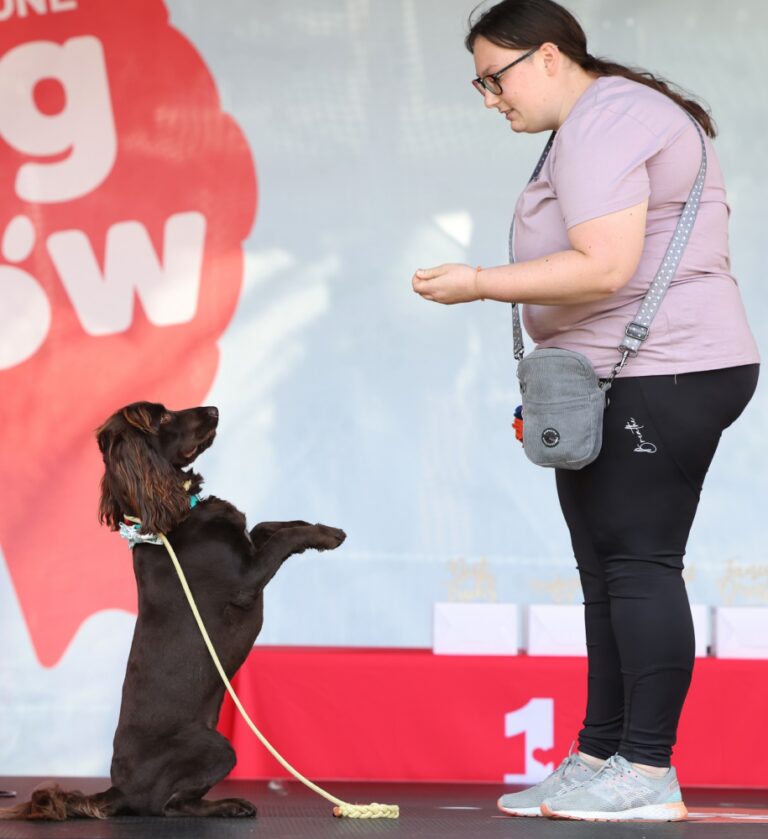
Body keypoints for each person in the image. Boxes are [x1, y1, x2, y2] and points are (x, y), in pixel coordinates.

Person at [412, 0, 760, 823]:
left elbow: (604, 266)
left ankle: (648, 770)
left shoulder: (609, 119)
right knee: (604, 573)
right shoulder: (592, 122)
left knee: (638, 565)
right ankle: (601, 754)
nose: (489, 97)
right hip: (613, 375)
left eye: (493, 78)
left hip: (667, 367)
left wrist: (478, 282)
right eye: (479, 84)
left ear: (547, 57)